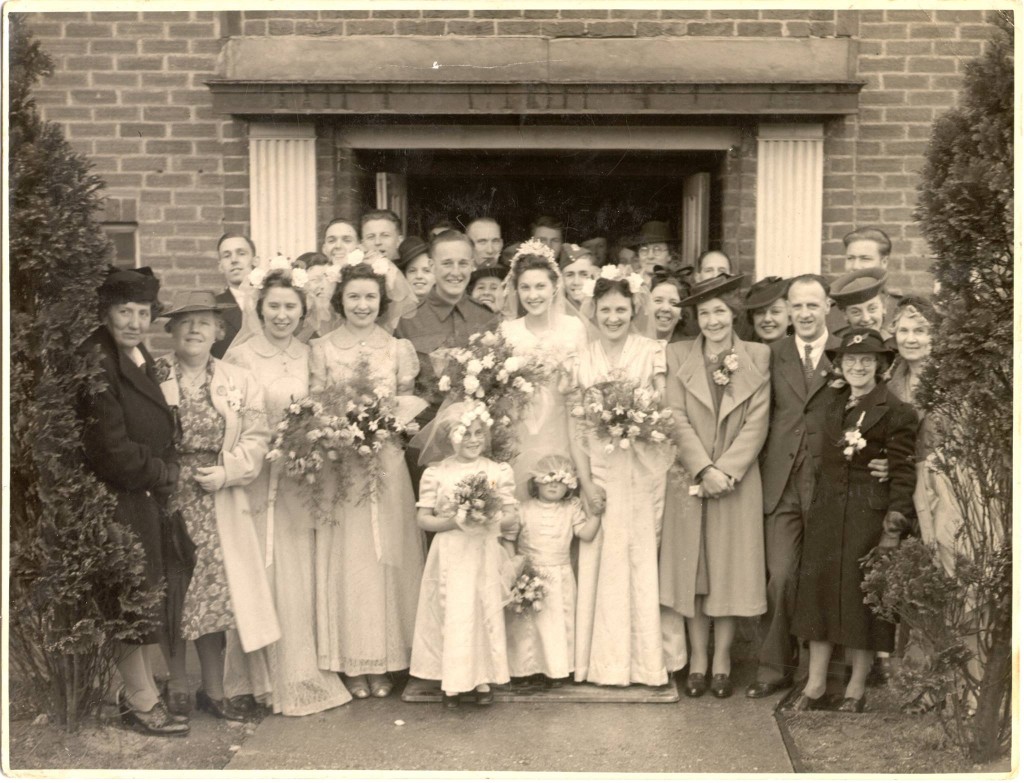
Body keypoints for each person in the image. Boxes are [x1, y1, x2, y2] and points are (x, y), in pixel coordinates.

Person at [223, 268, 352, 716]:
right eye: (273, 306)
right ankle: (254, 678)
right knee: (259, 565)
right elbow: (234, 421)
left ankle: (296, 669)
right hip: (258, 478)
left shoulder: (309, 353)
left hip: (300, 477)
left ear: (303, 312)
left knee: (298, 569)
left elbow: (323, 405)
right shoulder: (240, 358)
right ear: (259, 309)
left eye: (290, 307)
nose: (281, 315)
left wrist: (310, 440)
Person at [157, 290, 278, 722]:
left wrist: (228, 472)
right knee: (174, 592)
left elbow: (256, 436)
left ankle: (214, 689)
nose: (194, 329)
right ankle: (176, 686)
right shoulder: (154, 376)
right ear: (171, 329)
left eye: (204, 322)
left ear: (219, 331)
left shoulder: (238, 380)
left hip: (217, 496)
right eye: (185, 321)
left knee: (214, 594)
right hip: (166, 497)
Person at [310, 261, 426, 698]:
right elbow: (317, 406)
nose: (362, 304)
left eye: (370, 297)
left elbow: (407, 405)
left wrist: (385, 427)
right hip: (341, 468)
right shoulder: (322, 349)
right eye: (354, 296)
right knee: (351, 561)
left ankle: (387, 661)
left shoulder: (396, 349)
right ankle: (350, 663)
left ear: (382, 303)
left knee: (386, 558)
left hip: (385, 465)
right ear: (341, 300)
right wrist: (340, 431)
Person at [81, 267, 187, 736]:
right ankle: (140, 699)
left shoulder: (138, 353)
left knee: (144, 594)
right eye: (125, 311)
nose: (135, 321)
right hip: (117, 496)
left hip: (141, 496)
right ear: (107, 313)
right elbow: (110, 449)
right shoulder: (97, 359)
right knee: (129, 596)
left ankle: (138, 692)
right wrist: (161, 472)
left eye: (143, 312)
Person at [791, 328, 917, 713]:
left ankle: (856, 689)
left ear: (880, 367)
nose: (859, 366)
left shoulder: (897, 411)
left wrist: (892, 529)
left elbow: (902, 474)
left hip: (868, 517)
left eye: (867, 361)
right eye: (851, 360)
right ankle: (815, 685)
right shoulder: (831, 403)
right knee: (820, 594)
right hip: (828, 514)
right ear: (841, 367)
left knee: (862, 602)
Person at [659, 273, 770, 699]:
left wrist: (726, 471)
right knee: (694, 570)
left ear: (734, 314)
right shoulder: (678, 354)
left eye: (720, 311)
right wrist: (704, 469)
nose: (712, 321)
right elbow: (675, 415)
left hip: (736, 482)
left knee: (729, 570)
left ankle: (722, 659)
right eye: (704, 313)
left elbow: (757, 422)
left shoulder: (757, 356)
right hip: (690, 477)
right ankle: (698, 660)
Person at [571, 274, 671, 687]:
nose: (613, 317)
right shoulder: (581, 359)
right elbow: (575, 429)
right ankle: (602, 663)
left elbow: (664, 412)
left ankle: (647, 663)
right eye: (606, 309)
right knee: (602, 560)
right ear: (593, 311)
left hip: (643, 468)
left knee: (640, 557)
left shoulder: (652, 353)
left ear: (634, 311)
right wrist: (585, 483)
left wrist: (639, 419)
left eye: (621, 310)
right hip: (600, 471)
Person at [745, 274, 841, 699]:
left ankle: (824, 673)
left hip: (827, 482)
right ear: (788, 310)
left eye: (811, 306)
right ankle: (774, 667)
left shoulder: (845, 354)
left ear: (827, 308)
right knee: (780, 575)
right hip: (780, 482)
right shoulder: (772, 355)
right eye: (796, 306)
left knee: (823, 575)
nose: (804, 314)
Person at [410, 402, 519, 707]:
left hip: (483, 550)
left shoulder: (496, 470)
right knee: (455, 610)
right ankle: (453, 682)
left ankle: (483, 679)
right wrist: (456, 520)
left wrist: (490, 516)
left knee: (482, 608)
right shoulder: (437, 473)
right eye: (465, 434)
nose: (472, 440)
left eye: (478, 434)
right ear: (451, 438)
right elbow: (423, 519)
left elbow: (512, 516)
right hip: (452, 551)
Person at [499, 242, 588, 497]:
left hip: (562, 426)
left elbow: (582, 384)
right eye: (525, 287)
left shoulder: (574, 328)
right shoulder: (508, 331)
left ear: (554, 287)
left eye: (540, 286)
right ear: (516, 289)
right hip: (520, 428)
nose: (533, 295)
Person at [506, 455, 600, 685]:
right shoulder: (524, 509)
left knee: (556, 624)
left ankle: (556, 670)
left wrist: (596, 514)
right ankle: (524, 670)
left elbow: (586, 534)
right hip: (529, 574)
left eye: (560, 482)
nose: (553, 485)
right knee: (527, 625)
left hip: (560, 575)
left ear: (568, 486)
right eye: (548, 480)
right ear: (536, 483)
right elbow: (509, 538)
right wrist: (515, 570)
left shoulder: (571, 508)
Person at [394, 230, 499, 429]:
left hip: (476, 436)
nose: (456, 272)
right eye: (447, 263)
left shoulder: (488, 319)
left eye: (463, 263)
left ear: (472, 265)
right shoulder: (406, 320)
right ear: (432, 266)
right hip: (422, 434)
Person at [212, 233, 257, 358]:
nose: (234, 260)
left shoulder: (273, 302)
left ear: (255, 261)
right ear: (220, 266)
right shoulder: (213, 308)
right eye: (227, 256)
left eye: (241, 253)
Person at [829, 268, 891, 338]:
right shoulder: (835, 345)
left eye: (872, 309)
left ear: (884, 307)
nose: (866, 319)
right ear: (845, 314)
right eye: (856, 312)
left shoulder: (897, 344)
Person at [295, 252, 342, 343]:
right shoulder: (293, 320)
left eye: (328, 278)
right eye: (315, 280)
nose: (323, 285)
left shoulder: (341, 318)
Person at [743, 276, 791, 344]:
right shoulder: (743, 353)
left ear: (790, 318)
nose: (767, 319)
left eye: (775, 311)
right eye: (760, 312)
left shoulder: (802, 353)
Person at [649, 270, 693, 342]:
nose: (665, 308)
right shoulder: (631, 344)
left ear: (681, 313)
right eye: (658, 300)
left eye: (673, 303)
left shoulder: (689, 348)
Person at [559, 244, 601, 311]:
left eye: (584, 274)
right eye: (569, 275)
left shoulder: (602, 309)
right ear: (561, 279)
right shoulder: (556, 311)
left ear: (593, 277)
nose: (576, 282)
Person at [397, 236, 434, 302]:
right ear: (405, 276)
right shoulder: (397, 310)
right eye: (412, 271)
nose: (418, 276)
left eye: (426, 270)